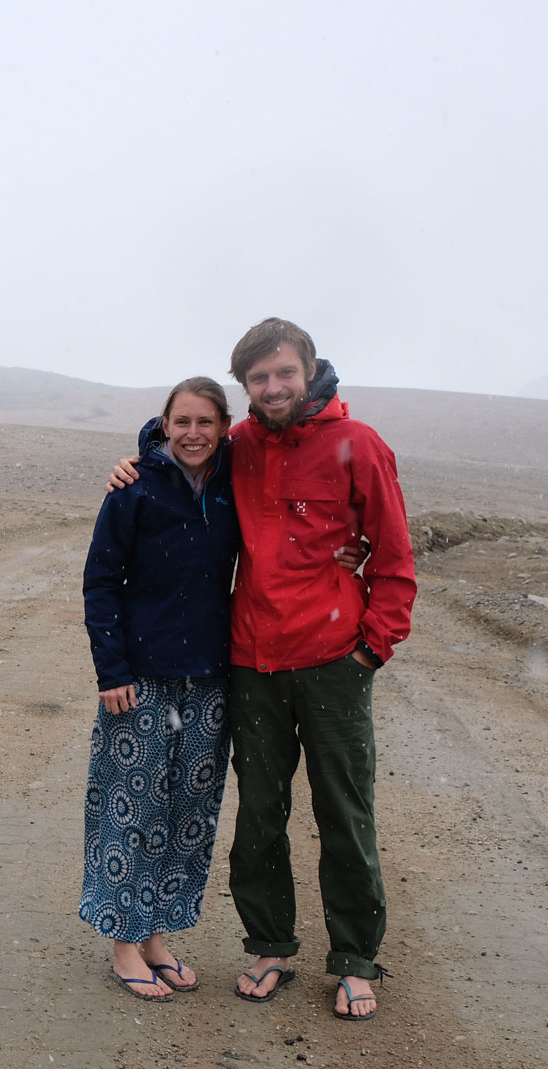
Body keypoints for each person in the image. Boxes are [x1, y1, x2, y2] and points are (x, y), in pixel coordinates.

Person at [109, 318, 416, 1020]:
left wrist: (373, 646)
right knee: (258, 814)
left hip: (334, 660)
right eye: (258, 377)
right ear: (244, 385)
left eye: (283, 373)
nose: (272, 387)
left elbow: (395, 557)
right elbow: (179, 452)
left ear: (308, 370)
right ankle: (270, 944)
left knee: (344, 810)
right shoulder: (240, 444)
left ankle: (354, 958)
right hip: (250, 660)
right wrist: (133, 459)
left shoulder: (356, 445)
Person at [81, 378, 238, 1001]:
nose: (193, 434)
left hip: (209, 679)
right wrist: (111, 671)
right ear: (163, 425)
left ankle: (158, 935)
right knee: (132, 809)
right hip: (139, 682)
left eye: (205, 422)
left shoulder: (233, 485)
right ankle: (124, 942)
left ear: (224, 425)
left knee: (188, 815)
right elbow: (100, 584)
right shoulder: (133, 490)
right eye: (182, 422)